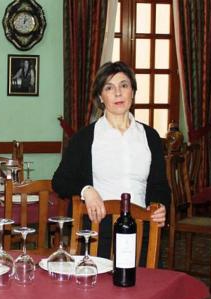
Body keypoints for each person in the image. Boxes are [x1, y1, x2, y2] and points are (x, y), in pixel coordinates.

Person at [52, 61, 170, 260]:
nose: (118, 93)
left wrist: (160, 205)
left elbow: (160, 185)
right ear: (100, 97)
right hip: (98, 233)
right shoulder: (85, 138)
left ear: (132, 92)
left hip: (141, 231)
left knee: (142, 289)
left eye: (124, 85)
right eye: (109, 87)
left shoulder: (150, 136)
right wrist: (86, 190)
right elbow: (60, 180)